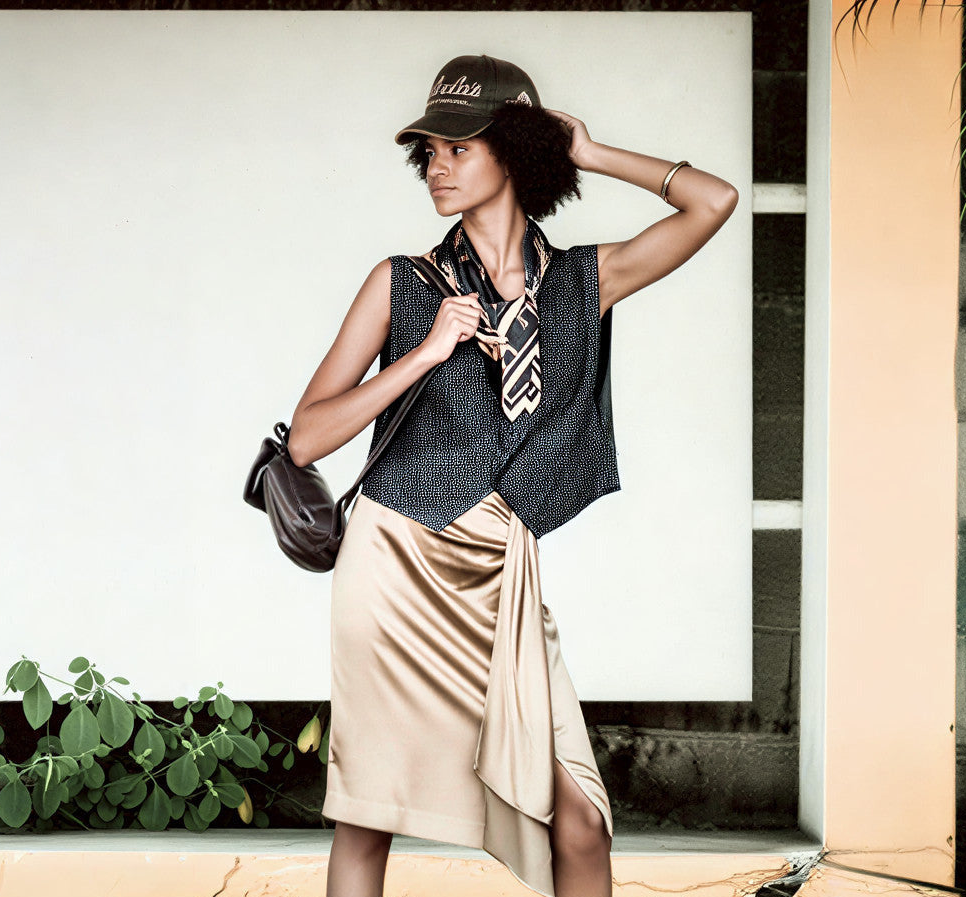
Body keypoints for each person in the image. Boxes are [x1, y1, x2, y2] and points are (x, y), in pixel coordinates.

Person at [287, 55, 737, 897]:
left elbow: (713, 201)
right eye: (429, 151)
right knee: (370, 812)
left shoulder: (582, 282)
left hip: (503, 574)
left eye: (459, 148)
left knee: (581, 821)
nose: (437, 167)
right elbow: (308, 438)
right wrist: (425, 353)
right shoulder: (402, 282)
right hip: (394, 564)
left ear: (515, 152)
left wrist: (589, 153)